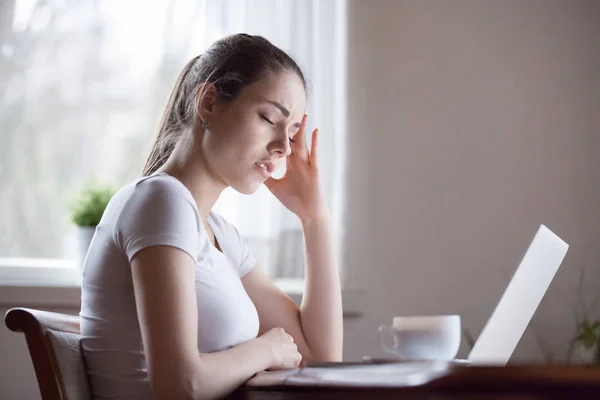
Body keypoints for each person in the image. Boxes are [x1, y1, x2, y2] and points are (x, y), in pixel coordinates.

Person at [79, 33, 343, 400]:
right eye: (270, 118)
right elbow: (180, 386)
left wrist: (315, 220)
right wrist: (265, 350)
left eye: (293, 132)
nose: (284, 146)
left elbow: (320, 360)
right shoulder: (161, 200)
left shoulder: (218, 234)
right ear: (208, 103)